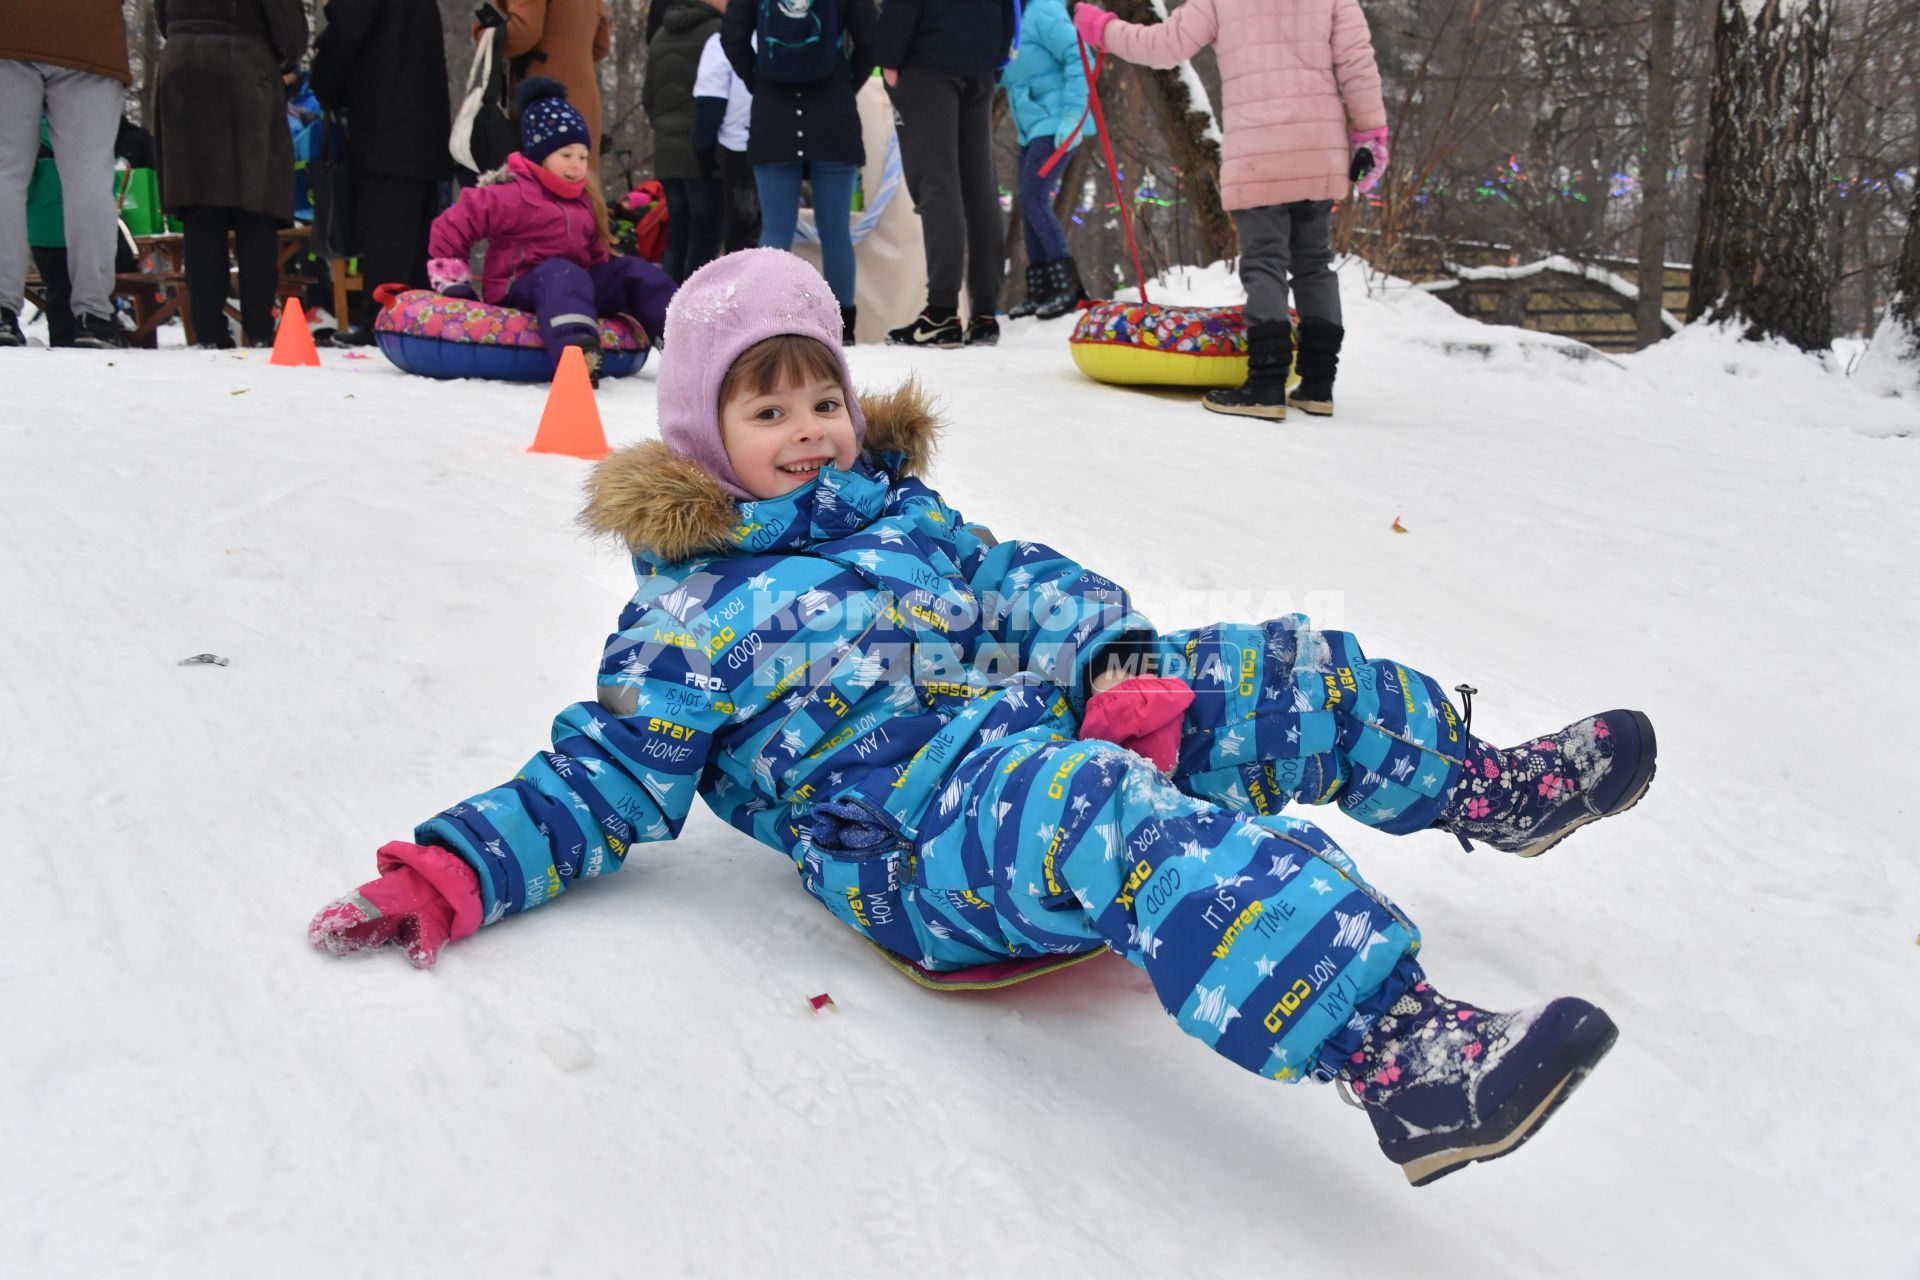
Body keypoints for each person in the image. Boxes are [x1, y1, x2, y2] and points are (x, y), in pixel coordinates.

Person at [311, 248, 1657, 1188]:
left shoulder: (907, 518)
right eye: (766, 407)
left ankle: (1480, 783)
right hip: (917, 838)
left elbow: (1028, 584)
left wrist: (1114, 663)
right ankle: (1397, 1052)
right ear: (702, 435)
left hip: (1033, 729)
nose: (810, 430)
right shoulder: (690, 621)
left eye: (822, 397)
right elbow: (595, 781)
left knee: (1262, 669)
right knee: (1121, 820)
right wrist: (442, 875)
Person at [1075, 0, 1385, 420]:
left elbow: (1163, 46)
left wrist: (1097, 27)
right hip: (1318, 147)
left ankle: (1266, 384)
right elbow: (1357, 61)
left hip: (1258, 152)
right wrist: (1370, 134)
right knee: (1314, 264)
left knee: (1264, 263)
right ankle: (1317, 384)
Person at [425, 79, 675, 384]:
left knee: (634, 270)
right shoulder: (511, 193)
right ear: (539, 155)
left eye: (583, 157)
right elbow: (452, 225)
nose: (577, 166)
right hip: (521, 286)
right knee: (561, 271)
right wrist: (453, 284)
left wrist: (611, 276)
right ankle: (578, 353)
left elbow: (595, 254)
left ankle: (679, 338)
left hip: (576, 285)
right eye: (566, 155)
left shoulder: (584, 199)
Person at [153, 0, 309, 348]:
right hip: (245, 66)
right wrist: (280, 59)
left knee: (200, 205)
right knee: (256, 205)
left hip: (183, 63)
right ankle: (258, 330)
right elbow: (289, 30)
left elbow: (163, 17)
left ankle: (208, 332)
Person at [720, 0, 877, 347]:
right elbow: (871, 41)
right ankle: (843, 327)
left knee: (776, 225)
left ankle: (767, 319)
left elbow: (731, 37)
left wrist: (758, 78)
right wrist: (844, 82)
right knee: (835, 229)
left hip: (772, 110)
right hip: (833, 111)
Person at [310, 0, 453, 347]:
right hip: (425, 123)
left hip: (385, 122)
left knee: (387, 229)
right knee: (417, 235)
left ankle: (383, 320)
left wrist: (324, 83)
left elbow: (345, 30)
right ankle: (415, 320)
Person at [876, 0, 1018, 349]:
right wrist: (998, 54)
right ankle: (984, 314)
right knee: (979, 186)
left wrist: (889, 57)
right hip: (981, 58)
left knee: (937, 183)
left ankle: (941, 312)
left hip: (928, 58)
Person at [0, 0, 134, 350]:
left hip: (9, 27)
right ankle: (94, 316)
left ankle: (0, 309)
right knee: (89, 177)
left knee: (4, 173)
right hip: (90, 34)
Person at [1001, 0, 1089, 321]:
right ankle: (1040, 289)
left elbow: (1080, 56)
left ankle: (1067, 286)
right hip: (1031, 127)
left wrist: (1073, 117)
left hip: (1056, 122)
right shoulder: (1008, 17)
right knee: (1028, 201)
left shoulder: (1043, 10)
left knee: (1034, 198)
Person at [644, 0, 725, 282]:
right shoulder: (718, 33)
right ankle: (692, 310)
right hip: (704, 153)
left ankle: (666, 309)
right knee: (704, 238)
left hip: (667, 152)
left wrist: (666, 130)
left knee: (677, 236)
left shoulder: (660, 35)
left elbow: (649, 98)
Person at [493, 0, 610, 164]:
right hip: (583, 101)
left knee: (541, 183)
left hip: (542, 104)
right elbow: (600, 46)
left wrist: (484, 35)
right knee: (583, 181)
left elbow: (521, 35)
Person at [691, 22, 759, 254]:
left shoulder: (721, 43)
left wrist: (704, 154)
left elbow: (711, 102)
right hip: (784, 147)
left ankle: (744, 290)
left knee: (742, 232)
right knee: (774, 230)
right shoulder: (788, 37)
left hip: (740, 147)